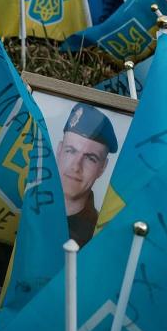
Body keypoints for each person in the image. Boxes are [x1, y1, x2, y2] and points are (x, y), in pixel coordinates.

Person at [57, 102, 118, 246]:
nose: (76, 166)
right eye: (71, 151)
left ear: (102, 168)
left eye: (90, 158)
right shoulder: (29, 209)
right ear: (59, 151)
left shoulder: (99, 238)